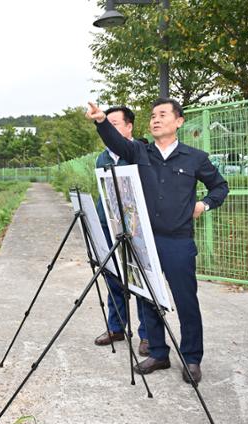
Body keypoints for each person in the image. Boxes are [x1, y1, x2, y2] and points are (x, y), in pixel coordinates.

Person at [86, 98, 229, 384]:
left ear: (179, 121)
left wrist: (204, 205)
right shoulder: (140, 151)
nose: (155, 120)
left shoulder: (195, 158)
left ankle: (191, 358)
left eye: (162, 115)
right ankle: (159, 353)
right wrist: (102, 121)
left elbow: (220, 186)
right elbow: (117, 143)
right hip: (144, 240)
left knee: (185, 300)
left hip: (178, 241)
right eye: (152, 116)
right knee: (147, 296)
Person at [92, 105, 149, 357]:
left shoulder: (140, 152)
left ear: (129, 127)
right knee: (112, 275)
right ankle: (117, 327)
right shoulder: (101, 158)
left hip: (135, 227)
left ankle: (148, 335)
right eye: (108, 124)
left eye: (115, 124)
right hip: (108, 224)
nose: (110, 129)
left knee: (139, 278)